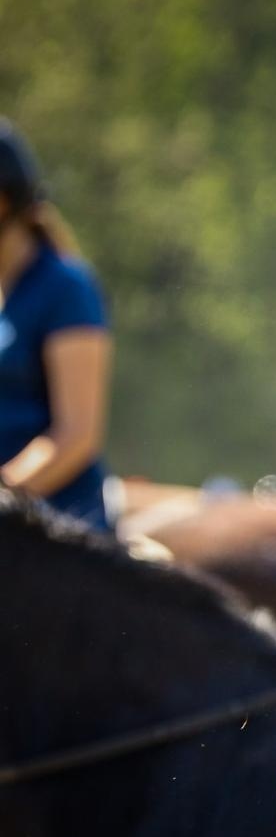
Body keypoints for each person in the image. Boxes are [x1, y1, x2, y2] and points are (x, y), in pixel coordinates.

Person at [0, 118, 114, 531]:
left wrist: (5, 491)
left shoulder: (65, 288)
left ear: (3, 201)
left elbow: (76, 436)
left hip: (56, 529)